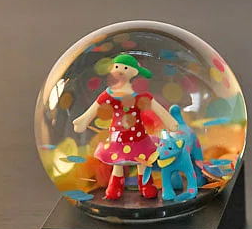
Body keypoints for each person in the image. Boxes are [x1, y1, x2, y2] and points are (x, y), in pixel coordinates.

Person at [72, 54, 179, 200]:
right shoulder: (109, 94)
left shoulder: (139, 94)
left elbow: (156, 107)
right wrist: (83, 121)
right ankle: (115, 186)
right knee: (117, 162)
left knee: (142, 161)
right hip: (118, 138)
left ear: (134, 72)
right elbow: (94, 108)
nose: (120, 71)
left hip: (138, 137)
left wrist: (169, 121)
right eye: (116, 67)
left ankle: (146, 185)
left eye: (125, 68)